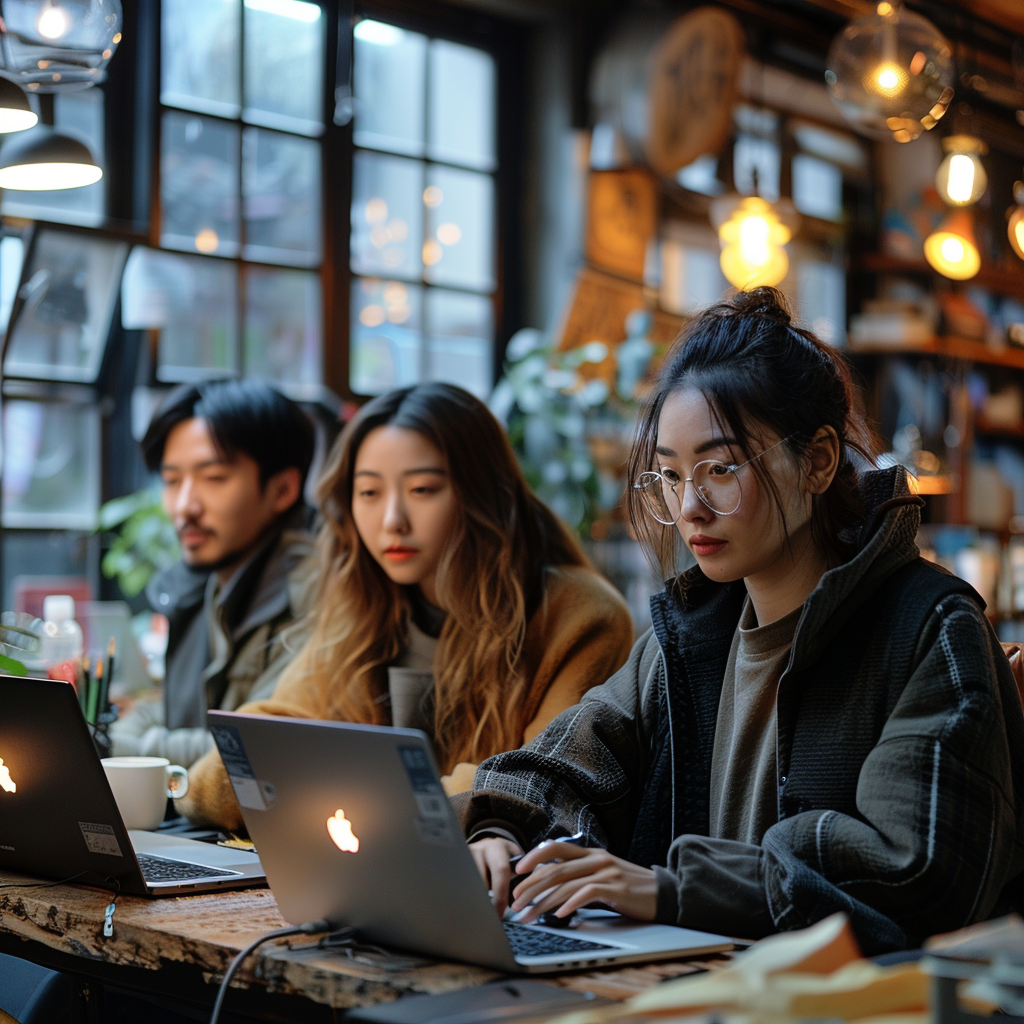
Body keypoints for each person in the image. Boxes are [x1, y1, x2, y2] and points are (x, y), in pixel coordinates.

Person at [464, 288, 1024, 954]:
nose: (690, 506)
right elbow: (565, 761)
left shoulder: (928, 630)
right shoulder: (694, 630)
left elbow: (914, 874)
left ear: (817, 460)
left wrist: (669, 888)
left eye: (721, 468)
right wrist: (497, 831)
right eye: (669, 476)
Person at [179, 382, 634, 830]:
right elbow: (219, 777)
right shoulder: (365, 609)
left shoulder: (580, 617)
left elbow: (529, 790)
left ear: (481, 493)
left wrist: (324, 783)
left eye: (422, 489)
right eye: (370, 493)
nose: (392, 520)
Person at [109, 380, 318, 769]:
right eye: (172, 481)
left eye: (214, 478)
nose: (185, 506)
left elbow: (260, 752)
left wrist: (125, 747)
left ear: (284, 489)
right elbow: (176, 717)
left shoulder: (316, 593)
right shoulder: (201, 583)